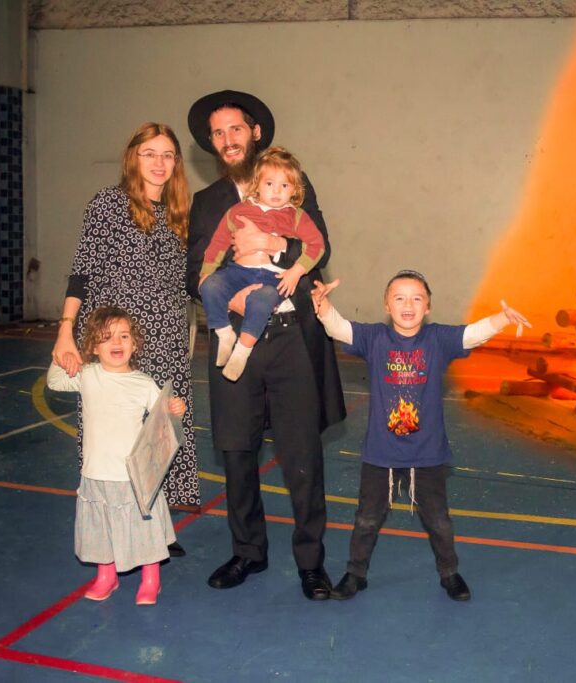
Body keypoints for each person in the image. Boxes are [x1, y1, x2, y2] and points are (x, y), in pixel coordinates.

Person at [186, 90, 346, 600]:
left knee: (302, 454)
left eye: (236, 129)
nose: (228, 139)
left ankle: (311, 562)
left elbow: (319, 246)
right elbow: (195, 271)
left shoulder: (292, 184)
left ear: (254, 133)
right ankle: (248, 552)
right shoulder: (208, 202)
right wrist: (232, 300)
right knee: (237, 450)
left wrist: (274, 244)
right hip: (235, 340)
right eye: (218, 133)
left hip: (291, 339)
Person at [310, 271, 530, 601]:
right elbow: (339, 328)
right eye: (399, 298)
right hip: (381, 453)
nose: (408, 305)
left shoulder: (437, 340)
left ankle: (449, 572)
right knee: (367, 519)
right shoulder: (374, 338)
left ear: (428, 307)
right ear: (387, 305)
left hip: (427, 454)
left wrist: (502, 319)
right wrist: (323, 306)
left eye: (417, 298)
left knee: (439, 521)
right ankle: (356, 573)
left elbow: (471, 335)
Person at [51, 122, 198, 558]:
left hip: (166, 337)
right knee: (113, 433)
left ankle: (156, 530)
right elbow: (82, 271)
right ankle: (109, 528)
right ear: (133, 157)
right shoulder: (108, 204)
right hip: (116, 338)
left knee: (159, 433)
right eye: (149, 153)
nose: (159, 162)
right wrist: (65, 329)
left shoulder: (181, 215)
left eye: (167, 154)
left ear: (176, 162)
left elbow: (196, 278)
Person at [48, 306, 186, 606]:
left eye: (124, 336)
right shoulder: (87, 375)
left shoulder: (143, 382)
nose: (117, 342)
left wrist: (176, 408)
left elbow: (164, 417)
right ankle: (106, 576)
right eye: (107, 337)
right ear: (93, 347)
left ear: (134, 344)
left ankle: (151, 580)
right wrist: (63, 351)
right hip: (95, 472)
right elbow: (55, 381)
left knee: (144, 528)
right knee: (101, 529)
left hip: (134, 477)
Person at [198, 147, 326, 382]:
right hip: (238, 272)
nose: (276, 191)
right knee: (209, 286)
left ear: (294, 190)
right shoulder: (238, 211)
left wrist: (296, 272)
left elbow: (317, 245)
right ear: (256, 184)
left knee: (261, 300)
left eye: (284, 185)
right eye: (269, 184)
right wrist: (206, 272)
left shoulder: (296, 216)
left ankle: (242, 351)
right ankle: (224, 333)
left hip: (273, 277)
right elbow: (218, 243)